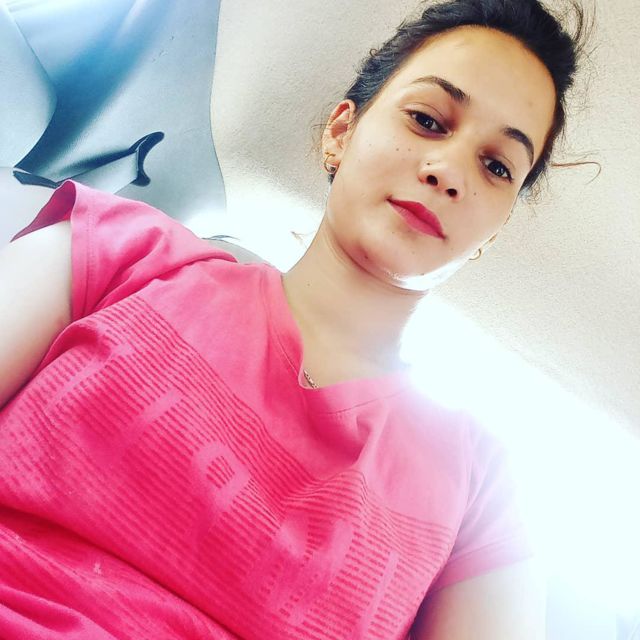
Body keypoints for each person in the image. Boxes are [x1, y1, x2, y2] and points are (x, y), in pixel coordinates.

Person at [0, 0, 590, 638]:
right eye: (427, 120)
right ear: (342, 131)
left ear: (491, 234)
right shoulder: (117, 250)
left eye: (497, 166)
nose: (448, 172)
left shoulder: (479, 490)